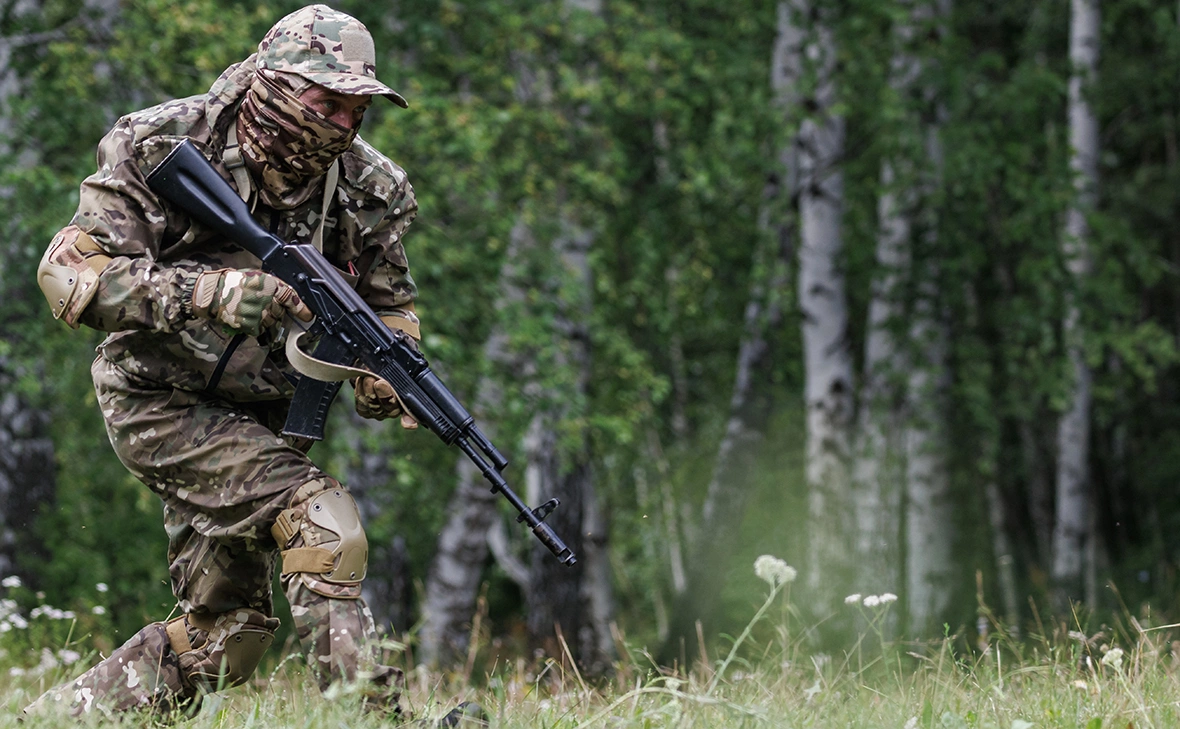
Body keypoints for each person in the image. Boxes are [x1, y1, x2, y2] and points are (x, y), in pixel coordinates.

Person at [28, 5, 482, 725]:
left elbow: (391, 304)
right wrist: (216, 293)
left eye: (355, 106)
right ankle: (377, 718)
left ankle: (52, 719)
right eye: (324, 100)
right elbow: (69, 277)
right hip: (157, 400)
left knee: (223, 640)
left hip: (265, 417)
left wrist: (384, 370)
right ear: (273, 82)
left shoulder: (371, 188)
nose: (340, 122)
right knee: (324, 524)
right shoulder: (164, 142)